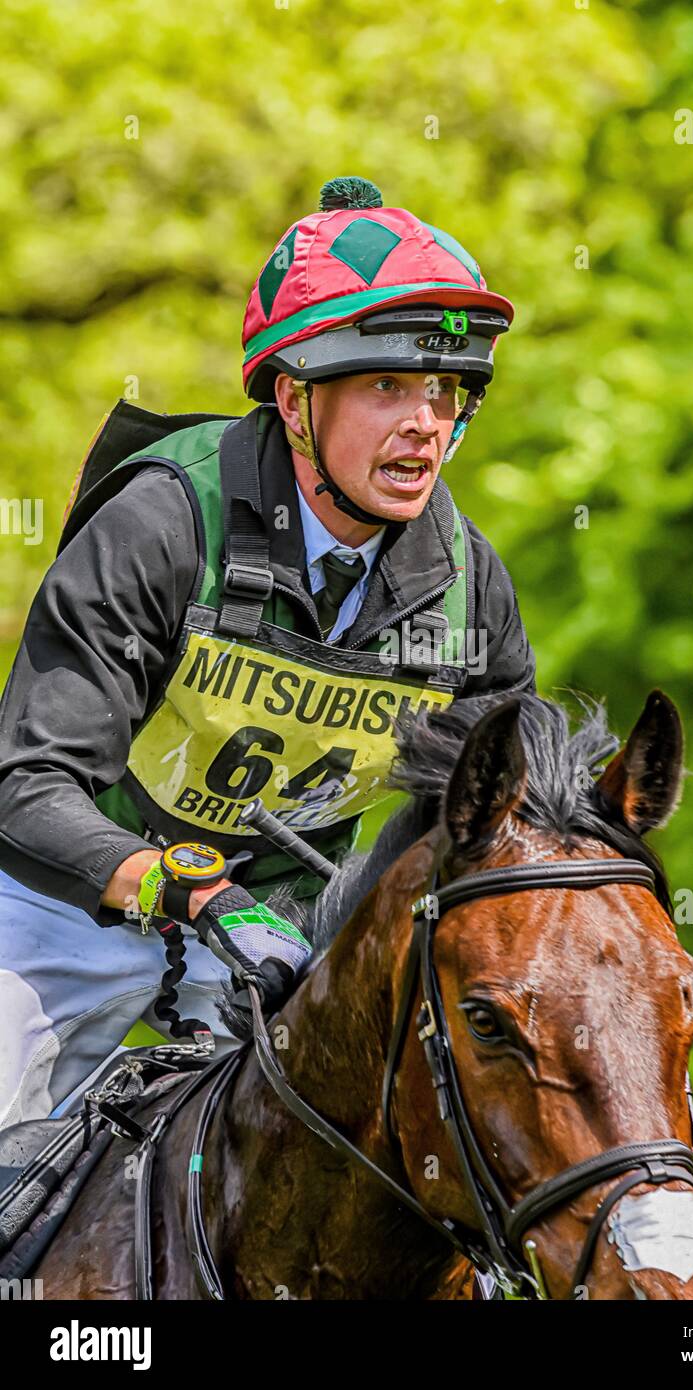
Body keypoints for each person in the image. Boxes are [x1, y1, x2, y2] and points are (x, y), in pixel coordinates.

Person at [0, 175, 536, 1128]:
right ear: (294, 401)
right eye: (387, 386)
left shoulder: (470, 589)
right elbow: (28, 785)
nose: (427, 422)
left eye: (446, 391)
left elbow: (489, 821)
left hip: (277, 939)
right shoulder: (162, 522)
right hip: (62, 914)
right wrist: (185, 888)